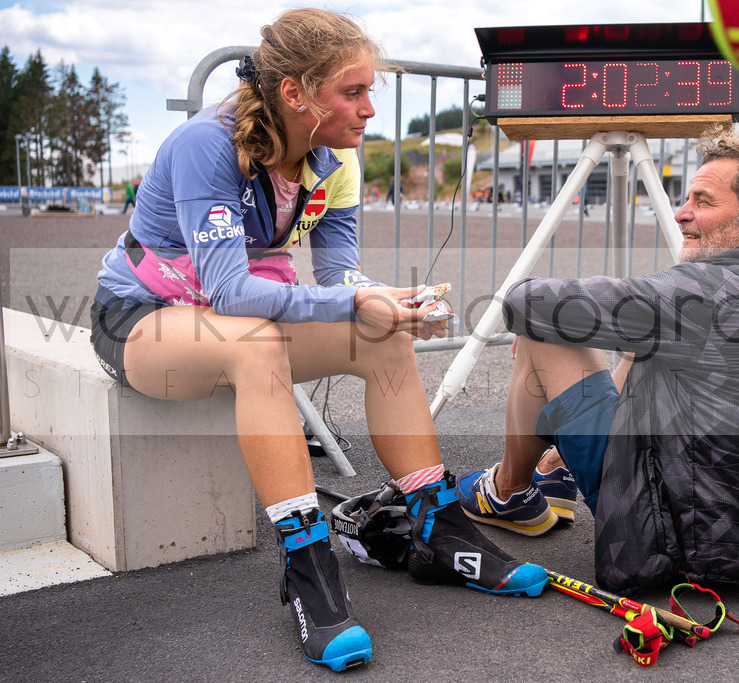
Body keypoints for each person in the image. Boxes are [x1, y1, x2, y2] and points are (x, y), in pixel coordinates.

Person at [89, 9, 545, 672]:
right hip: (141, 319)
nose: (367, 111)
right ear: (295, 93)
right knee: (256, 343)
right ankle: (308, 564)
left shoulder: (338, 160)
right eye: (352, 93)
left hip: (235, 322)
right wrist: (354, 299)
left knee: (381, 339)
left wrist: (387, 300)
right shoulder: (205, 145)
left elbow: (339, 278)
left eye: (370, 93)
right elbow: (230, 293)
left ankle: (438, 528)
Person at [456, 125, 739, 594]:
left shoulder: (699, 292)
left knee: (547, 338)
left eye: (703, 201)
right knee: (648, 344)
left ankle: (510, 494)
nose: (682, 214)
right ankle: (553, 470)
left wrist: (544, 324)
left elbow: (523, 301)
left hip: (689, 540)